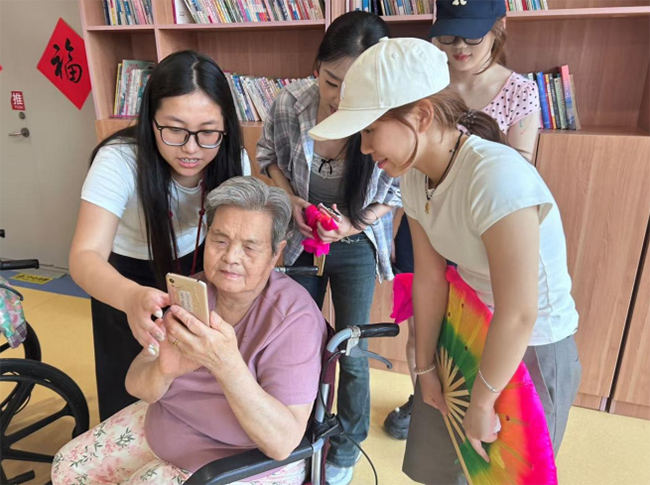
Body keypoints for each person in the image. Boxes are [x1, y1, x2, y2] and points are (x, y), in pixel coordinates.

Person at [309, 37, 581, 484]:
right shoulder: (416, 176)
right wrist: (424, 369)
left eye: (370, 131)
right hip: (469, 327)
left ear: (421, 115)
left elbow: (519, 311)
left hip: (529, 344)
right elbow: (430, 280)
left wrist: (483, 400)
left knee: (499, 473)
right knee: (444, 466)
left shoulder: (496, 176)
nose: (364, 148)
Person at [53, 177, 327, 485]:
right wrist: (163, 370)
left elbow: (282, 443)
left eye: (250, 247)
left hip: (240, 458)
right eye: (220, 241)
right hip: (166, 428)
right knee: (67, 468)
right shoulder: (192, 291)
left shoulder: (293, 319)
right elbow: (138, 386)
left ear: (276, 253)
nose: (231, 257)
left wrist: (227, 366)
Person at [383, 0, 542, 440]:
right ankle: (423, 392)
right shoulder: (428, 81)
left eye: (472, 36)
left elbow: (519, 171)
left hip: (482, 227)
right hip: (428, 217)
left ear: (498, 27)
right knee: (424, 318)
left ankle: (476, 399)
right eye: (448, 36)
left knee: (482, 324)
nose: (459, 48)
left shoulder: (518, 91)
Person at [256, 11, 401, 485]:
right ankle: (295, 434)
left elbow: (398, 191)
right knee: (295, 341)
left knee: (351, 347)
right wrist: (290, 200)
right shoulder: (289, 103)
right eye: (331, 81)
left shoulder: (388, 115)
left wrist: (351, 224)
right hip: (301, 237)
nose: (339, 97)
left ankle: (348, 443)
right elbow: (267, 158)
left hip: (355, 242)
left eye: (354, 86)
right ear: (316, 67)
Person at [69, 50, 249, 421]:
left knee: (192, 381)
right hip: (124, 277)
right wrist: (129, 296)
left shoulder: (234, 160)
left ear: (226, 127)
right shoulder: (119, 160)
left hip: (198, 267)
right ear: (151, 120)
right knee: (128, 387)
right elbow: (85, 256)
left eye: (208, 132)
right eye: (175, 129)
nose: (191, 148)